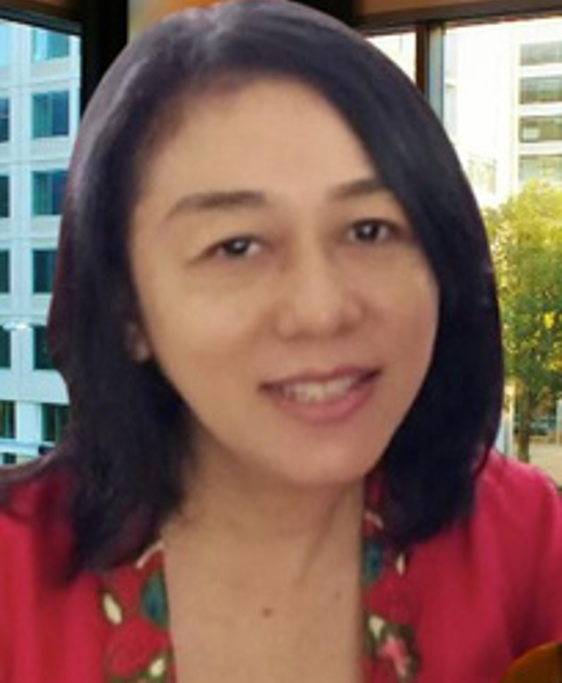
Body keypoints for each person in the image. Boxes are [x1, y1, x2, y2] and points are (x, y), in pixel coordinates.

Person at [1, 2, 561, 682]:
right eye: (236, 246)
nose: (321, 310)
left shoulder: (524, 538)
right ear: (128, 312)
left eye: (369, 230)